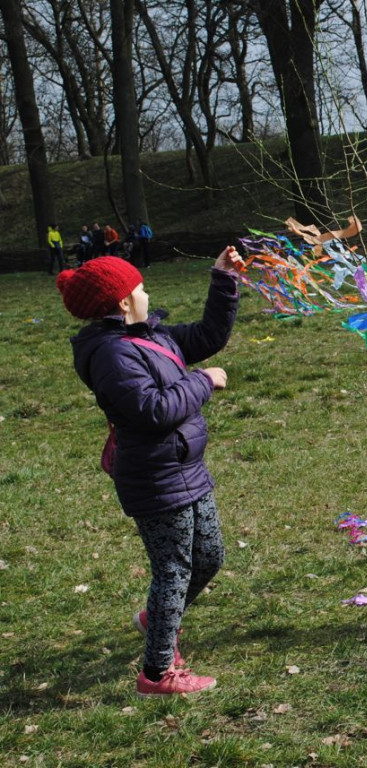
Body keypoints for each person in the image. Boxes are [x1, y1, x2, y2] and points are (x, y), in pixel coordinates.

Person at [56, 247, 244, 696]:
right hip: (155, 479)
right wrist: (203, 381)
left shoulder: (150, 336)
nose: (146, 292)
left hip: (185, 469)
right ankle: (157, 674)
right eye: (139, 287)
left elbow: (208, 335)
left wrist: (222, 280)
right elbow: (153, 410)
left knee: (209, 558)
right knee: (174, 570)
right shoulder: (111, 356)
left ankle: (159, 617)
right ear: (122, 302)